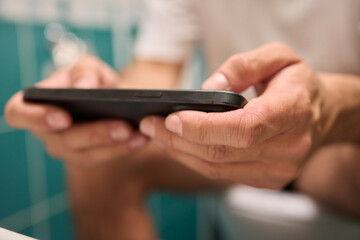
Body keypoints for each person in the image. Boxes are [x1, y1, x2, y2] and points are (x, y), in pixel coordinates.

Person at [4, 0, 360, 239]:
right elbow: (156, 66)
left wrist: (330, 106)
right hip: (226, 135)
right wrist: (107, 99)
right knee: (100, 163)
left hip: (341, 146)